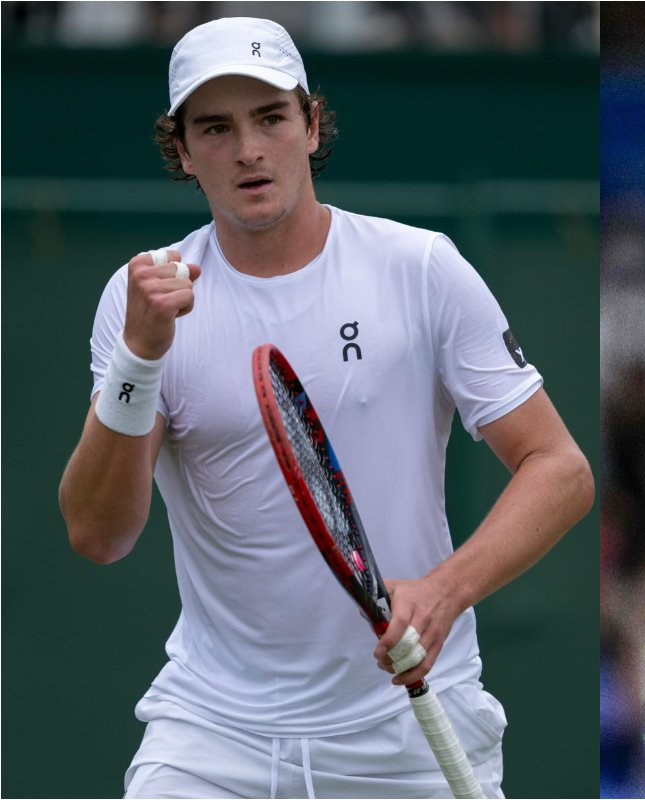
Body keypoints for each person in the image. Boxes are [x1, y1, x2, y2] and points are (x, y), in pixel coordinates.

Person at [58, 16, 593, 799]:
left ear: (311, 125)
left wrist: (445, 590)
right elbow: (99, 534)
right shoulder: (140, 298)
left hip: (407, 731)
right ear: (183, 152)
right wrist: (140, 355)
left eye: (270, 118)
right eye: (216, 128)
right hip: (213, 736)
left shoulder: (421, 268)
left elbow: (561, 469)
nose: (248, 149)